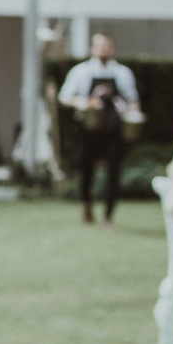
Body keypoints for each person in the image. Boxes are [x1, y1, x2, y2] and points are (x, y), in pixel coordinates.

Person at [59, 34, 143, 225]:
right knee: (86, 169)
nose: (104, 49)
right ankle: (86, 206)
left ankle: (108, 215)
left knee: (113, 171)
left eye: (107, 46)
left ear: (112, 49)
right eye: (100, 46)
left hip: (113, 129)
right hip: (87, 128)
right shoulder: (81, 72)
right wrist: (83, 103)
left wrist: (134, 117)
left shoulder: (122, 73)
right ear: (92, 49)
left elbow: (133, 100)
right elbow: (64, 97)